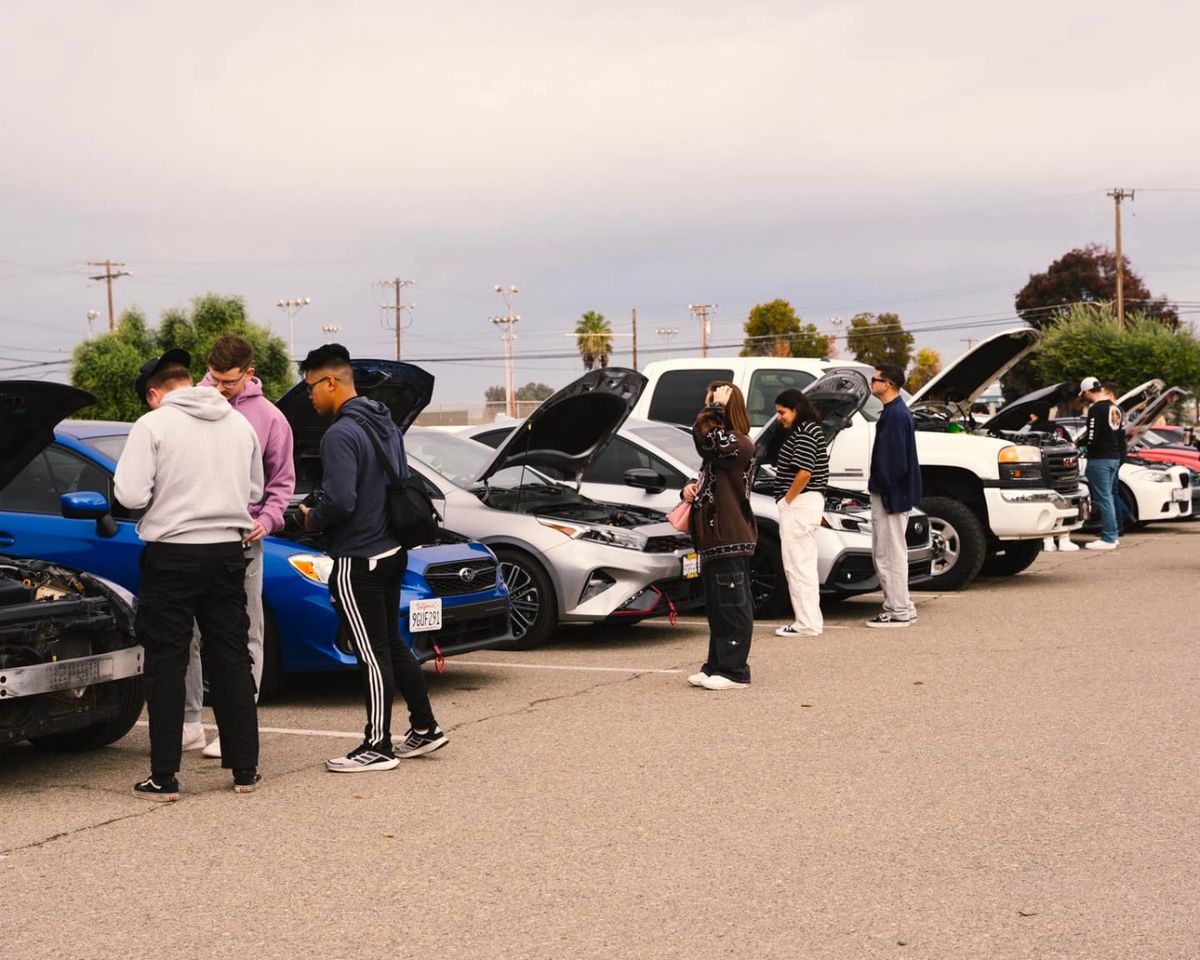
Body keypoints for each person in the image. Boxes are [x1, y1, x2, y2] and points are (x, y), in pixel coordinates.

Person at [115, 349, 264, 800]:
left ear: (155, 393)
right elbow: (255, 490)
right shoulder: (239, 424)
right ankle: (245, 770)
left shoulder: (153, 425)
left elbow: (129, 493)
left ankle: (164, 776)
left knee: (167, 663)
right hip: (226, 552)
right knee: (231, 657)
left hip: (173, 554)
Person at [297, 343, 448, 770]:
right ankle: (424, 727)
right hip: (392, 550)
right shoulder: (383, 422)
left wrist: (311, 517)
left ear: (331, 381)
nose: (309, 396)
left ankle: (377, 745)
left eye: (311, 386)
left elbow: (341, 502)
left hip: (357, 558)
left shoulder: (340, 433)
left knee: (370, 652)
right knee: (391, 643)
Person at [183, 334, 295, 759]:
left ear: (249, 374)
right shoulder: (194, 403)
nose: (220, 388)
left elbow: (282, 483)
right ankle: (190, 723)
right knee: (188, 630)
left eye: (228, 382)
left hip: (243, 538)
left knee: (246, 631)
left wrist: (266, 520)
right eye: (213, 378)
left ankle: (237, 727)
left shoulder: (270, 418)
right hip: (194, 533)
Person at [680, 381, 758, 689]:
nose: (706, 411)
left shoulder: (740, 443)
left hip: (730, 535)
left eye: (711, 404)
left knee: (733, 604)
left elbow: (708, 438)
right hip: (714, 537)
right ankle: (715, 666)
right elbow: (706, 450)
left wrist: (717, 407)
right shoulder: (721, 449)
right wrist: (688, 487)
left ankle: (735, 671)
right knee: (717, 605)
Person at [866, 363, 922, 628]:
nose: (871, 383)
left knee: (888, 554)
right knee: (893, 552)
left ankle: (897, 609)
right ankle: (903, 605)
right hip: (895, 494)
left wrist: (880, 484)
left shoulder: (895, 415)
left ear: (886, 384)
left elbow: (895, 462)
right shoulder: (897, 412)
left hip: (890, 495)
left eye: (874, 379)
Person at [771, 388, 829, 638]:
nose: (779, 417)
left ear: (796, 409)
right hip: (806, 503)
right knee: (802, 564)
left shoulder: (805, 432)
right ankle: (808, 621)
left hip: (800, 504)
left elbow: (804, 472)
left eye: (782, 412)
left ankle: (806, 624)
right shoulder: (810, 430)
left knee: (798, 566)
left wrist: (787, 500)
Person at [1023, 402, 1080, 553]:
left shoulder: (1033, 430)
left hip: (1042, 473)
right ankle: (1064, 539)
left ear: (1036, 414)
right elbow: (1072, 446)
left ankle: (1047, 541)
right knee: (1064, 504)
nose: (1030, 416)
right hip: (1062, 472)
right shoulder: (1058, 428)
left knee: (1046, 504)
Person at [1078, 376, 1123, 550]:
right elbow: (1118, 434)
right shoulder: (1115, 408)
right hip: (1114, 457)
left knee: (1103, 498)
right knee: (1110, 496)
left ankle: (1109, 537)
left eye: (1084, 394)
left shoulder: (1096, 409)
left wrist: (1082, 447)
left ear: (1088, 391)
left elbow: (1092, 436)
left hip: (1100, 459)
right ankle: (1114, 534)